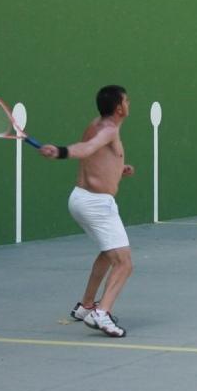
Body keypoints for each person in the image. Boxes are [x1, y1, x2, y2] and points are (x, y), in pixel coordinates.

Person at [41, 85, 135, 338]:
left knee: (108, 253)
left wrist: (118, 169)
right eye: (126, 100)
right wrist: (61, 152)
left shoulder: (96, 124)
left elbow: (95, 158)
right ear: (119, 108)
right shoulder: (108, 130)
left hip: (80, 198)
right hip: (96, 204)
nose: (129, 103)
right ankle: (101, 314)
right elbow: (87, 149)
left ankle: (86, 305)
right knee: (124, 263)